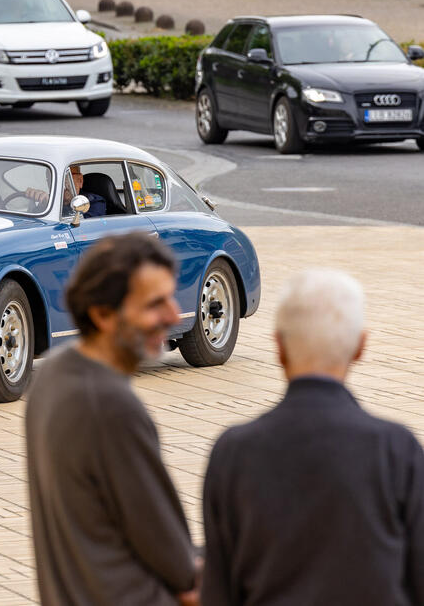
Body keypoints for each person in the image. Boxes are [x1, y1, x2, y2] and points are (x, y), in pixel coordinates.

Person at [201, 269, 424, 606]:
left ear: (278, 346)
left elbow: (219, 589)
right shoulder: (396, 449)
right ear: (360, 346)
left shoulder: (233, 452)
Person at [25, 233, 199, 606]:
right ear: (103, 314)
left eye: (171, 297)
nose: (172, 315)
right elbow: (176, 559)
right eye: (155, 304)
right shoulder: (110, 404)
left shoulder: (54, 375)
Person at [24, 165, 107, 217]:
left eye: (66, 176)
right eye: (52, 178)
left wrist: (54, 205)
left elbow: (82, 225)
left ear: (80, 180)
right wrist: (42, 206)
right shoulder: (48, 200)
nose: (60, 183)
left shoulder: (95, 202)